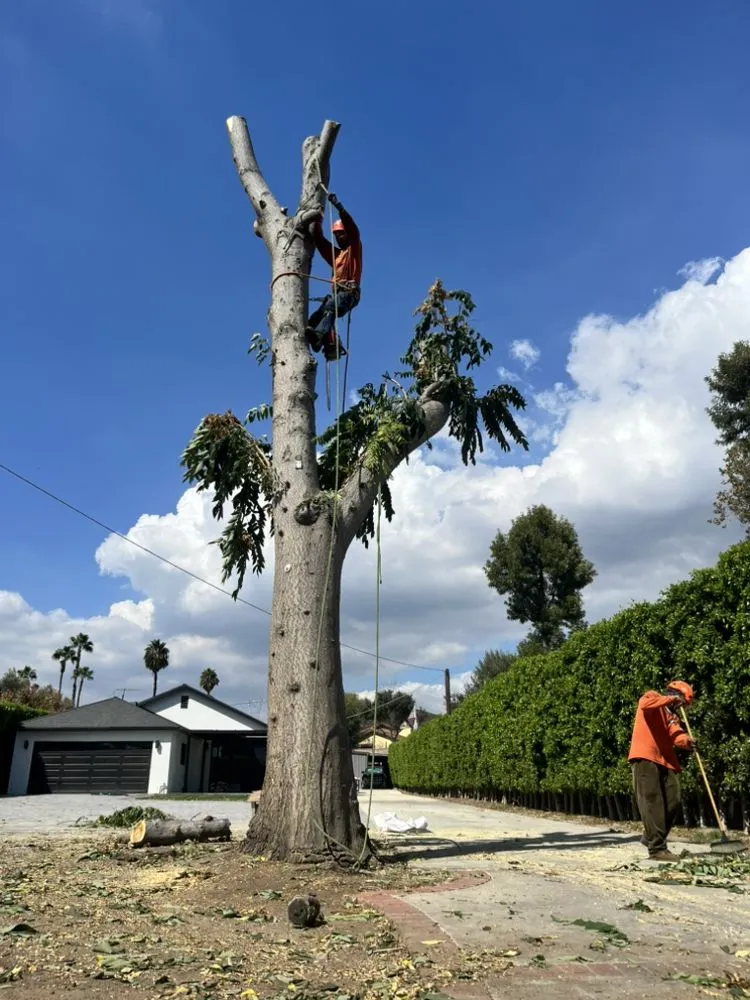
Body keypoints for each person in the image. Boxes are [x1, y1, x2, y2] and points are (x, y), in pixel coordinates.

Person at [628, 680, 695, 861]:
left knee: (674, 800)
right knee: (652, 801)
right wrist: (670, 699)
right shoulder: (653, 697)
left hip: (665, 760)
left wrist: (687, 741)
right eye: (681, 702)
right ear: (674, 695)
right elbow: (644, 705)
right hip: (645, 756)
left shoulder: (672, 716)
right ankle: (657, 849)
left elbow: (676, 734)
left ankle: (650, 837)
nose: (681, 707)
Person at [306, 192, 362, 361]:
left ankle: (319, 335)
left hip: (350, 292)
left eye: (341, 234)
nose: (338, 238)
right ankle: (321, 340)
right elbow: (319, 241)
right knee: (316, 316)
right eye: (336, 236)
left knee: (331, 306)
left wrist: (339, 208)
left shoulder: (354, 249)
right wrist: (317, 217)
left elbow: (353, 229)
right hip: (338, 294)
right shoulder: (336, 255)